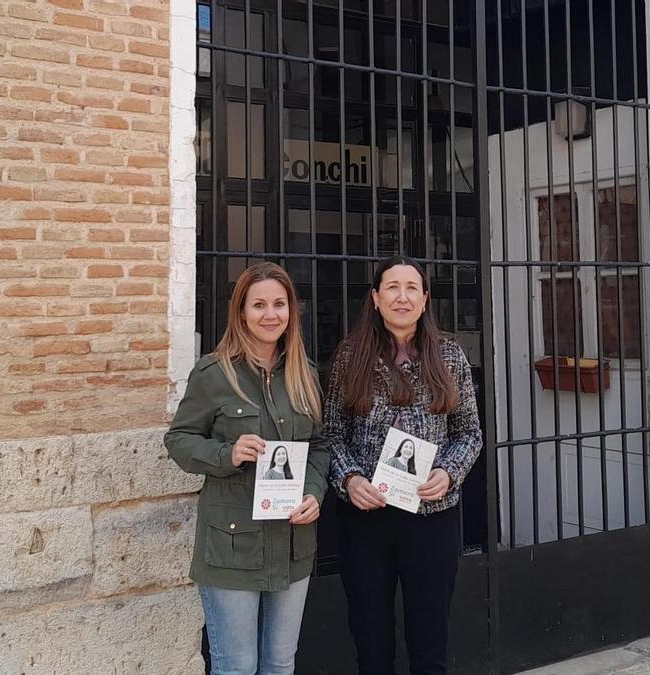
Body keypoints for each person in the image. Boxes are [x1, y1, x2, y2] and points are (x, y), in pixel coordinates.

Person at [166, 262, 329, 675]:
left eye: (279, 304)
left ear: (292, 311)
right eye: (258, 305)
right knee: (236, 665)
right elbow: (179, 440)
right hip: (232, 546)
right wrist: (228, 453)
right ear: (241, 312)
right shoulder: (214, 373)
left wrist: (314, 492)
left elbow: (319, 446)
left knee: (279, 663)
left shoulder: (304, 375)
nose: (270, 314)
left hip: (292, 541)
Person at [324, 255, 483, 675]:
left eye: (412, 288)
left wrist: (448, 473)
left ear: (425, 298)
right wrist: (349, 479)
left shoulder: (449, 356)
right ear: (375, 298)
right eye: (392, 287)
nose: (402, 296)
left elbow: (470, 433)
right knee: (371, 642)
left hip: (431, 518)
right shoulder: (350, 356)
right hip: (367, 517)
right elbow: (332, 434)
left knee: (429, 643)